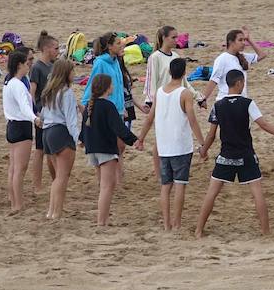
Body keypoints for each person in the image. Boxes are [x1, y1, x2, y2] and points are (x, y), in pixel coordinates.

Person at [194, 69, 274, 238]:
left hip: (225, 156)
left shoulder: (218, 106)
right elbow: (264, 125)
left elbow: (211, 135)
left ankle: (199, 230)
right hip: (246, 155)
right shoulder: (248, 103)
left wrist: (203, 150)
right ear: (239, 83)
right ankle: (266, 232)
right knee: (257, 193)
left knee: (211, 193)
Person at [136, 56, 208, 231]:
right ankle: (177, 223)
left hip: (163, 146)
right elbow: (192, 120)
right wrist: (202, 144)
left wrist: (141, 138)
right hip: (180, 146)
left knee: (165, 186)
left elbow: (149, 118)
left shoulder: (160, 92)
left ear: (169, 72)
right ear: (184, 73)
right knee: (180, 185)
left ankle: (167, 223)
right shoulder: (185, 93)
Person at [82, 73, 138, 227]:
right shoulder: (108, 106)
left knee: (103, 186)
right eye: (111, 85)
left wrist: (83, 142)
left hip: (92, 149)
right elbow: (119, 129)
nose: (113, 87)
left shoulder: (90, 106)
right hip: (105, 149)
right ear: (107, 88)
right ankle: (102, 221)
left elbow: (84, 128)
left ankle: (103, 218)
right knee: (108, 187)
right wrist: (135, 140)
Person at [39, 58, 81, 221]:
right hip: (61, 132)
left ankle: (51, 211)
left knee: (57, 177)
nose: (74, 74)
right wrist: (79, 138)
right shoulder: (66, 92)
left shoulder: (49, 91)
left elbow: (42, 115)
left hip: (47, 133)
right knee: (62, 176)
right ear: (66, 73)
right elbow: (71, 120)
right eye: (72, 71)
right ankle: (56, 212)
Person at [2, 47, 38, 215]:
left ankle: (13, 200)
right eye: (26, 63)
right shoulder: (18, 84)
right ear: (19, 65)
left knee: (14, 168)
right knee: (20, 169)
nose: (28, 66)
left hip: (11, 125)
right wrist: (35, 118)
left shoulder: (8, 82)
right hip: (21, 126)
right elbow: (25, 107)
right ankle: (18, 204)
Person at [27, 31, 60, 191]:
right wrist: (35, 113)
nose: (58, 51)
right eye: (56, 48)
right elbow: (32, 93)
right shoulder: (37, 68)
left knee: (52, 150)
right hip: (42, 114)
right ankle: (37, 186)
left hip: (54, 113)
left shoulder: (54, 66)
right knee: (40, 150)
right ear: (46, 49)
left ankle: (56, 181)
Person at [143, 24, 196, 115]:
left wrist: (198, 97)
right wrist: (150, 101)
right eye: (173, 37)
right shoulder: (155, 57)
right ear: (164, 38)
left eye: (177, 37)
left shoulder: (176, 56)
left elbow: (184, 81)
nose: (176, 40)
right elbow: (151, 82)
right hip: (162, 101)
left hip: (177, 100)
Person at [205, 28, 261, 102]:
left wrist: (249, 40)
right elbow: (213, 80)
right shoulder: (222, 59)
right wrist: (204, 99)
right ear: (231, 42)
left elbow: (262, 55)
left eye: (244, 40)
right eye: (240, 40)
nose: (243, 43)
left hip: (241, 100)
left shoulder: (243, 57)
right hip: (225, 101)